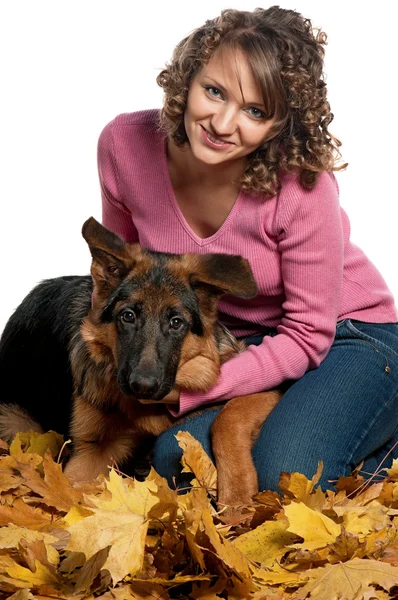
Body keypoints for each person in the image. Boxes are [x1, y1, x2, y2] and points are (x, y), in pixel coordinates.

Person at [97, 6, 398, 493]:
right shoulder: (125, 144)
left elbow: (307, 335)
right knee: (176, 461)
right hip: (238, 342)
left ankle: (379, 415)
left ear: (280, 124)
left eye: (255, 111)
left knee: (289, 475)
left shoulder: (302, 186)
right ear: (187, 76)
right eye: (213, 91)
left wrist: (190, 389)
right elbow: (116, 275)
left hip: (345, 335)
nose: (222, 122)